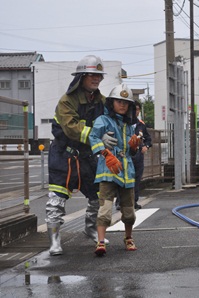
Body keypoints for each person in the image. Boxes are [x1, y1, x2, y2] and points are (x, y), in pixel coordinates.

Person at [46, 55, 115, 256]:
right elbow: (71, 128)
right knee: (56, 200)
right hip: (64, 156)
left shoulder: (103, 102)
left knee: (98, 197)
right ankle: (54, 240)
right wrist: (97, 135)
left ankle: (91, 229)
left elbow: (113, 121)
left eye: (99, 76)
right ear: (81, 76)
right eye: (92, 75)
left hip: (88, 156)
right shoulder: (66, 101)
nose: (96, 79)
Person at [89, 83, 141, 256]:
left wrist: (134, 147)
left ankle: (128, 238)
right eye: (119, 101)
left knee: (129, 211)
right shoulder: (102, 120)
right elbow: (93, 137)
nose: (122, 105)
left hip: (127, 172)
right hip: (108, 170)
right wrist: (104, 152)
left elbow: (131, 152)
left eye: (126, 102)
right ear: (111, 103)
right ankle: (100, 242)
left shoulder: (130, 125)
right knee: (104, 209)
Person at [115, 99, 152, 210]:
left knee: (136, 180)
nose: (135, 111)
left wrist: (146, 146)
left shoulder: (141, 125)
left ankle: (133, 201)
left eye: (137, 109)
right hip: (125, 156)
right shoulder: (123, 123)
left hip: (138, 156)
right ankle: (119, 202)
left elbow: (148, 139)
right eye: (134, 109)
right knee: (121, 179)